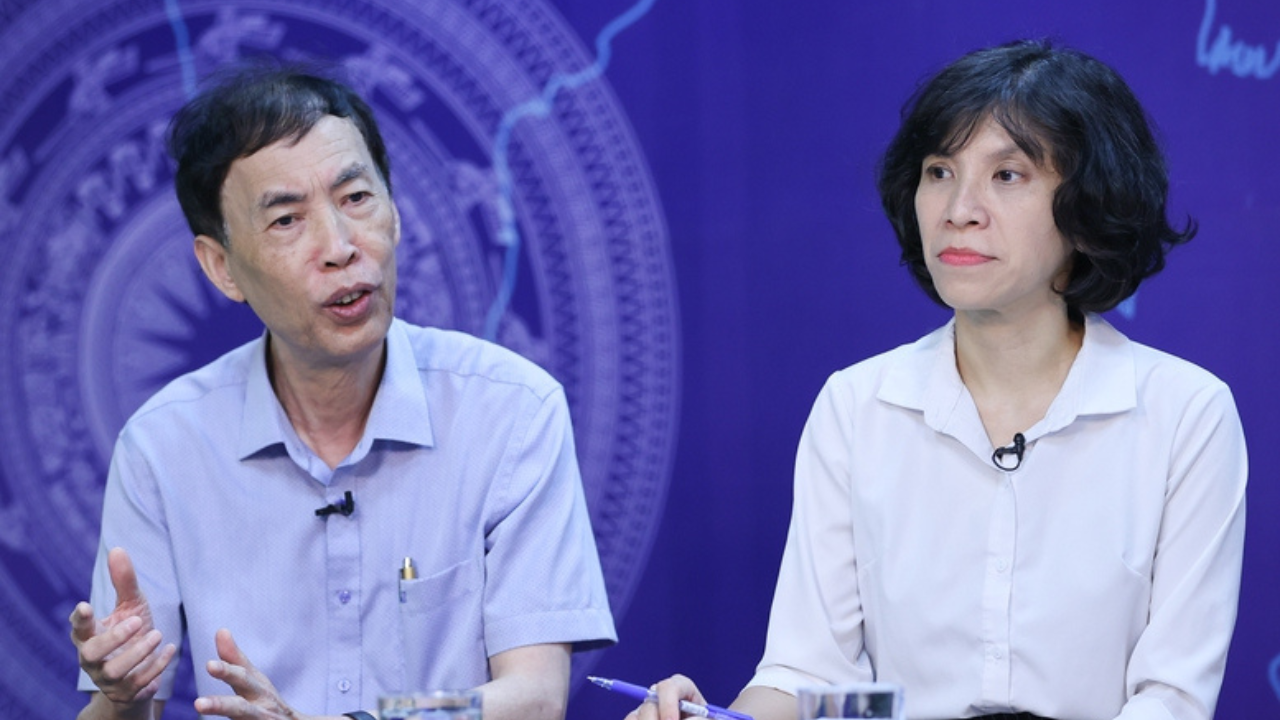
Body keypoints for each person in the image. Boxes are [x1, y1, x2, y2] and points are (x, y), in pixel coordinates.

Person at [632, 40, 1246, 720]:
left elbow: (1171, 698)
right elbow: (807, 672)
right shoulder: (858, 405)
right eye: (939, 172)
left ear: (1090, 207)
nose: (960, 209)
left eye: (1007, 175)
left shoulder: (1185, 413)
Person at [67, 65, 616, 720]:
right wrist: (122, 696)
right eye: (286, 220)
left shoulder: (513, 412)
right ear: (221, 267)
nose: (340, 246)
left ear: (395, 212)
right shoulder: (163, 447)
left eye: (356, 198)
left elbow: (535, 697)